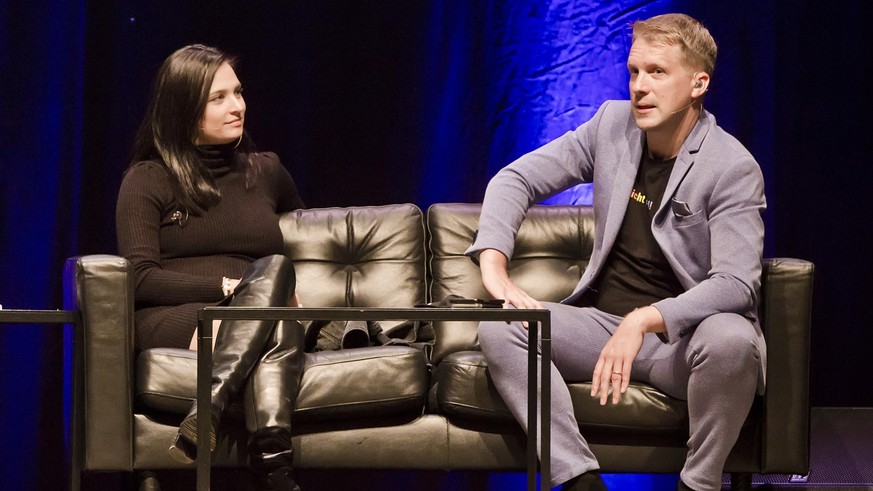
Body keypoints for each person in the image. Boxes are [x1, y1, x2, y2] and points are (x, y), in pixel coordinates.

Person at [468, 13, 766, 491]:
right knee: (504, 328)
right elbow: (515, 179)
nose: (639, 87)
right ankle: (579, 479)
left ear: (698, 83)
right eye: (634, 71)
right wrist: (495, 267)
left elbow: (735, 284)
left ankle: (698, 483)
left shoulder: (732, 166)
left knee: (733, 339)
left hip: (681, 341)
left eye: (657, 72)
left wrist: (645, 318)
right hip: (600, 326)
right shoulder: (611, 125)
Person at [116, 44, 306, 491]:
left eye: (238, 93)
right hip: (177, 315)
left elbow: (305, 249)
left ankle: (214, 411)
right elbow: (140, 278)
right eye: (218, 98)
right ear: (182, 108)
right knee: (270, 306)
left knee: (275, 291)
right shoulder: (148, 178)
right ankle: (274, 471)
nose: (237, 106)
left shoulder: (268, 172)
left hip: (248, 314)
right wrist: (229, 287)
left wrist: (268, 292)